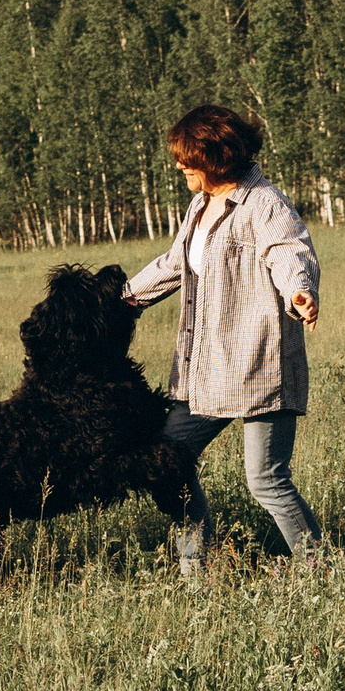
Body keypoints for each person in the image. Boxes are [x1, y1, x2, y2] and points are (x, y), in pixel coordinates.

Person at [123, 104, 323, 573]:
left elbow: (289, 251)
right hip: (206, 371)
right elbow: (175, 264)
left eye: (187, 158)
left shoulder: (264, 204)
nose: (179, 166)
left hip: (259, 365)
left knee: (267, 481)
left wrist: (300, 291)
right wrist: (123, 299)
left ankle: (319, 571)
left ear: (215, 157)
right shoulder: (199, 206)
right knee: (167, 463)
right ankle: (198, 572)